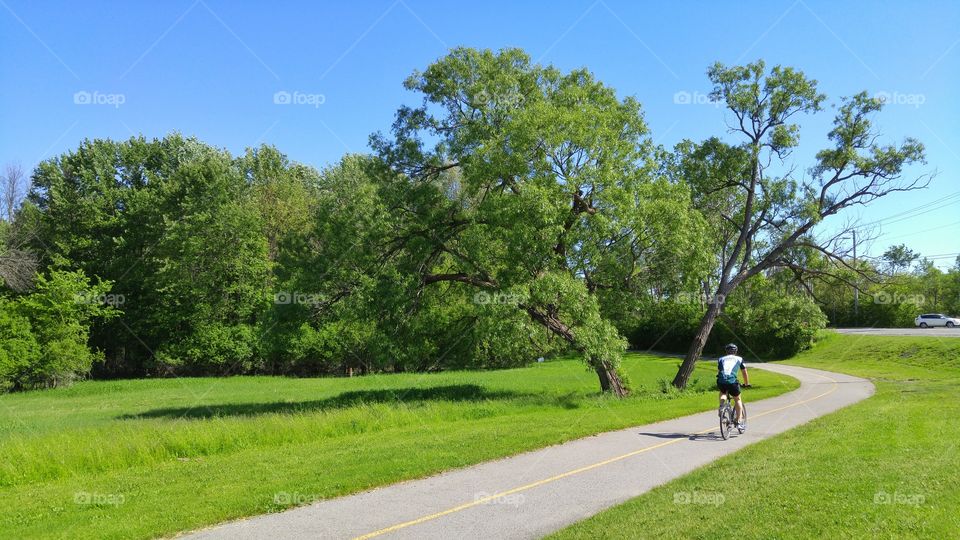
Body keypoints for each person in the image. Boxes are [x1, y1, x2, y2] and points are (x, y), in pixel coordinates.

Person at [717, 343, 750, 430]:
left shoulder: (721, 359)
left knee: (723, 392)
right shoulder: (739, 359)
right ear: (735, 351)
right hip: (732, 382)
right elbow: (744, 372)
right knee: (737, 399)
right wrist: (746, 383)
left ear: (726, 351)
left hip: (721, 381)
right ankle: (739, 421)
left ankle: (721, 406)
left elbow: (720, 370)